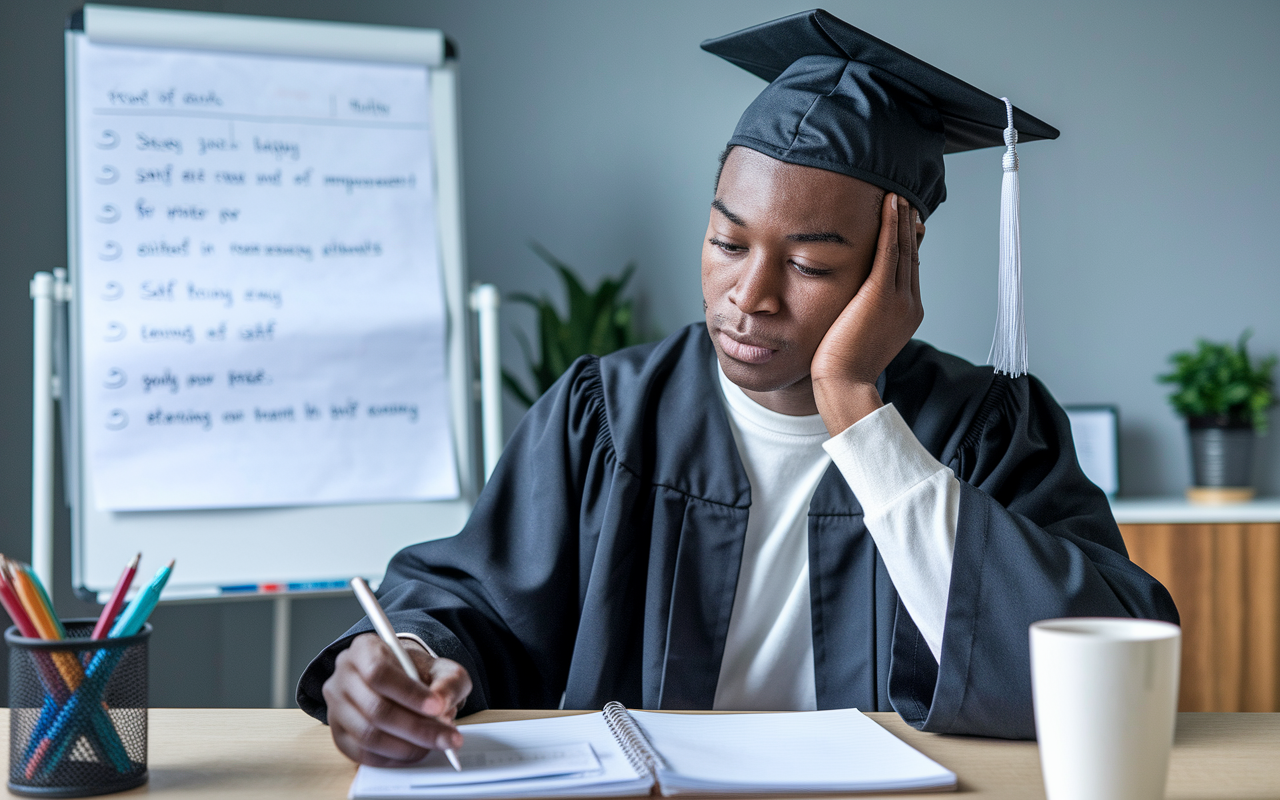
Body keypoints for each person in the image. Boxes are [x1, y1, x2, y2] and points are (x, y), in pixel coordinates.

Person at [298, 10, 1177, 765]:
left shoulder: (984, 428)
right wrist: (399, 657)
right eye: (727, 242)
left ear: (892, 269)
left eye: (806, 263)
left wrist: (857, 405)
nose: (747, 298)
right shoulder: (606, 415)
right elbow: (476, 601)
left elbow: (1098, 666)